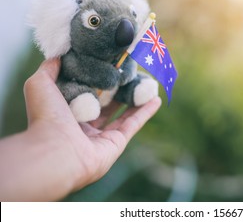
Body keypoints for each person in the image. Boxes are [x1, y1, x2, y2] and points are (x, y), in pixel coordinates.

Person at [0, 59, 161, 201]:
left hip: (116, 85)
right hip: (79, 88)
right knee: (77, 94)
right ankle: (80, 99)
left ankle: (135, 87)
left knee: (130, 80)